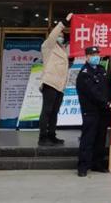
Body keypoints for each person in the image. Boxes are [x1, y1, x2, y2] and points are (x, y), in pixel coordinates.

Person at [76, 46, 111, 177]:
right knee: (88, 139)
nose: (96, 57)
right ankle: (83, 166)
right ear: (87, 57)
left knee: (100, 139)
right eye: (93, 55)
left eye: (97, 54)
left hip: (102, 112)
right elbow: (93, 93)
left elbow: (108, 85)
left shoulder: (101, 70)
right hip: (90, 111)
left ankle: (97, 163)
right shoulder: (84, 74)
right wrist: (107, 103)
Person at [38, 13, 72, 147]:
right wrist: (64, 22)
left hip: (60, 86)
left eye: (62, 36)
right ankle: (42, 137)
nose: (61, 37)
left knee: (54, 112)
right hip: (50, 83)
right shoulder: (48, 46)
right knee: (47, 111)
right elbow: (54, 34)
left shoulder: (64, 50)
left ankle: (52, 135)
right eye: (59, 35)